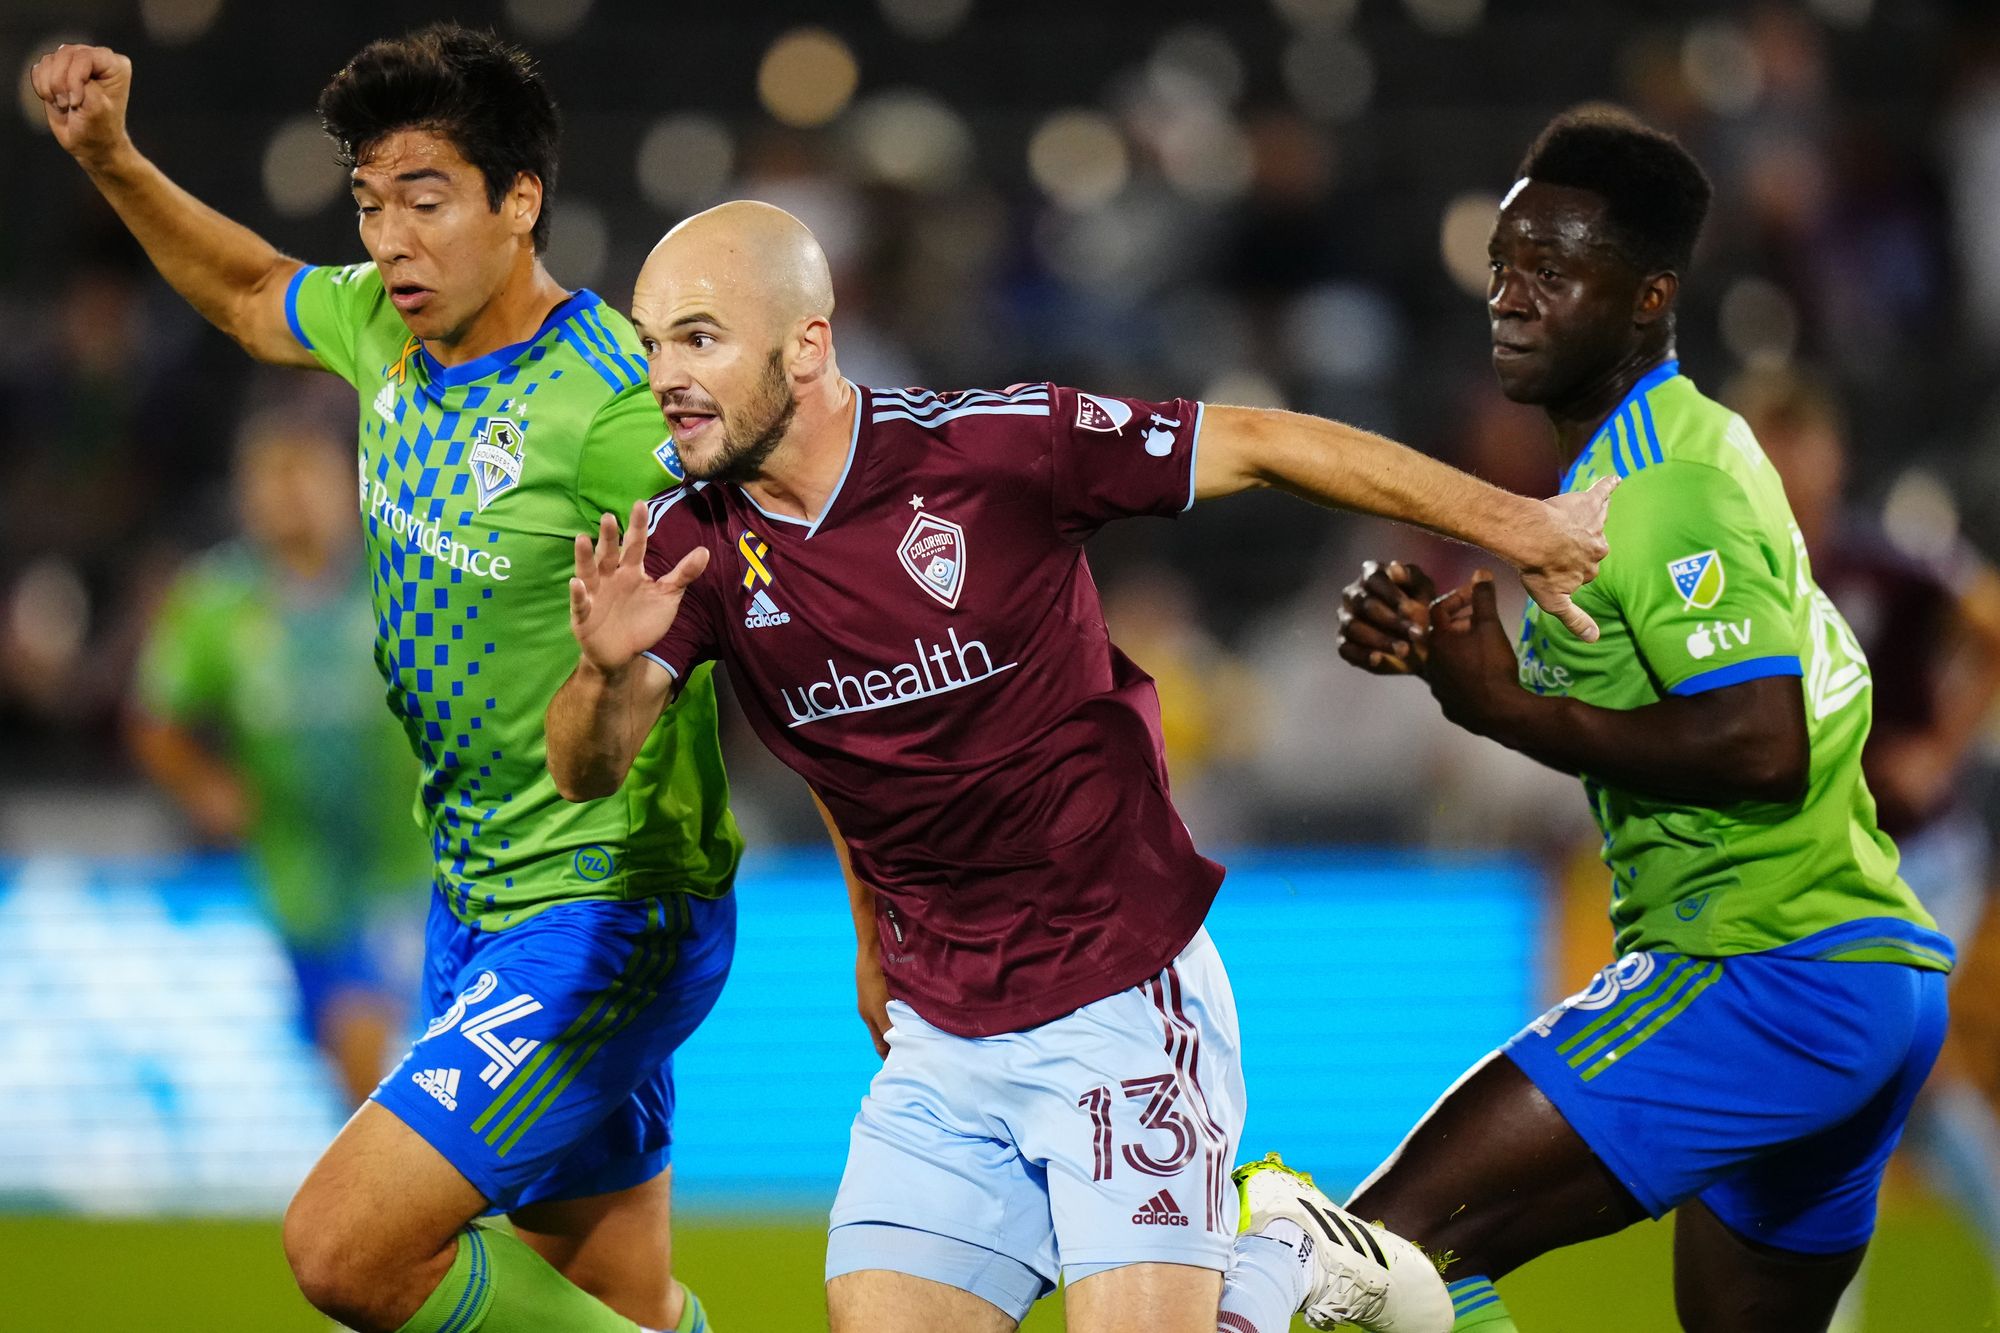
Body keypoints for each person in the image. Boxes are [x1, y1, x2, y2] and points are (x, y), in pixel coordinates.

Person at [543, 199, 1614, 1333]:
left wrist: (1519, 525)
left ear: (805, 342)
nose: (665, 373)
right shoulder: (682, 542)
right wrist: (604, 677)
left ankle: (1283, 1254)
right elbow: (585, 771)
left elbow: (1259, 442)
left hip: (1117, 1000)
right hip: (941, 1039)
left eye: (698, 337)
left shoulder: (995, 450)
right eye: (651, 340)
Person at [33, 26, 740, 1333]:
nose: (392, 240)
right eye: (370, 206)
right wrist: (113, 157)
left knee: (346, 1250)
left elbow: (772, 590)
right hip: (475, 896)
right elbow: (250, 291)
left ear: (518, 203)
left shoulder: (614, 410)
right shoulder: (377, 329)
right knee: (608, 1298)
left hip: (607, 908)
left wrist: (892, 886)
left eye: (425, 200)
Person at [1334, 108, 1953, 1333]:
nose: (1509, 297)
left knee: (1372, 1261)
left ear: (1646, 298)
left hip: (1759, 969)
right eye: (1505, 265)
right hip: (1856, 979)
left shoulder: (1656, 489)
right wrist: (1445, 667)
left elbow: (1760, 746)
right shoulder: (1680, 448)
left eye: (1552, 273)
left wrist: (1500, 706)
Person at [1734, 365, 2000, 1289]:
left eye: (1797, 440)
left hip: (1925, 855)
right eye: (1767, 444)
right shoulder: (1739, 584)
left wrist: (1941, 744)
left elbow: (1989, 619)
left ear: (1832, 454)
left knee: (1879, 1071)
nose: (1784, 462)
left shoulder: (1884, 561)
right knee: (1879, 1088)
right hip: (1825, 872)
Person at [131, 415, 430, 1105]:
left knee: (363, 1028)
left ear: (345, 483)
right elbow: (155, 718)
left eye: (304, 475)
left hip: (405, 859)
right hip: (295, 872)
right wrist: (205, 785)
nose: (287, 496)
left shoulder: (401, 581)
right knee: (345, 1058)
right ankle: (402, 1198)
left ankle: (403, 1201)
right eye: (270, 478)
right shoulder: (219, 602)